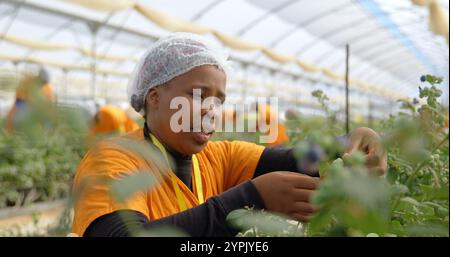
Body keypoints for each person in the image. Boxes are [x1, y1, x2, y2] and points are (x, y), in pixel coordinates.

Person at [71, 33, 387, 237]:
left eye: (218, 100)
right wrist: (249, 198)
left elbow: (300, 160)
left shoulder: (218, 156)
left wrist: (353, 142)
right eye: (197, 95)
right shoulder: (112, 160)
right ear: (153, 97)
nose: (211, 109)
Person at [5, 67, 53, 132]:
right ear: (38, 77)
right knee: (19, 115)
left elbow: (48, 102)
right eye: (42, 81)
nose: (43, 83)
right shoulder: (27, 81)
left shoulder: (47, 88)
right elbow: (19, 97)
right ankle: (17, 130)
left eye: (45, 82)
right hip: (23, 103)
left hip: (38, 107)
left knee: (46, 118)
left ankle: (47, 132)